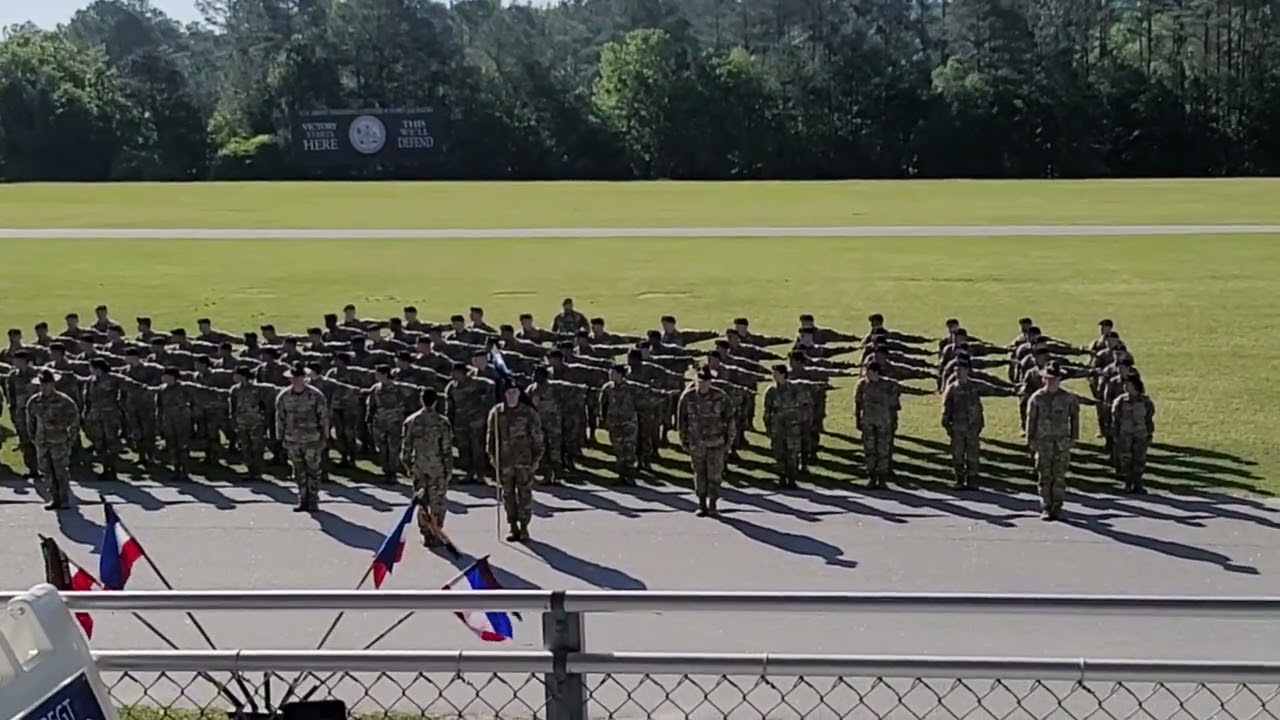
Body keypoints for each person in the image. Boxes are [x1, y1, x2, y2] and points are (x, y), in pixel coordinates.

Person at [487, 385, 543, 541]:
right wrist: (492, 457)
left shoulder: (528, 413)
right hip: (504, 461)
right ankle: (513, 526)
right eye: (508, 392)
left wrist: (536, 459)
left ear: (519, 394)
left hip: (524, 461)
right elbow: (491, 436)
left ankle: (524, 527)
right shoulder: (497, 412)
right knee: (508, 495)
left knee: (524, 494)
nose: (511, 395)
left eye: (514, 392)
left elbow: (537, 438)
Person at [677, 367, 735, 517]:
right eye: (700, 381)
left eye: (706, 382)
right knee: (700, 474)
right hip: (697, 444)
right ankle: (702, 504)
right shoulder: (688, 397)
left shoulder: (720, 397)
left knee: (715, 475)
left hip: (716, 444)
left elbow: (730, 420)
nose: (702, 384)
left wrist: (728, 442)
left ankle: (713, 504)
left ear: (710, 382)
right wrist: (684, 441)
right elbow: (681, 421)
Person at [1025, 363, 1080, 520]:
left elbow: (1075, 418)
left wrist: (1073, 438)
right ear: (1043, 379)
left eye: (1054, 379)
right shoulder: (1036, 398)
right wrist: (1031, 441)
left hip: (1061, 443)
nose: (1051, 382)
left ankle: (1057, 505)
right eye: (1048, 379)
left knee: (1059, 476)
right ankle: (1046, 506)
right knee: (1044, 476)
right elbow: (1031, 420)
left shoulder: (1068, 398)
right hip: (1043, 444)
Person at [402, 388, 454, 546]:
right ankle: (436, 531)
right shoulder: (442, 422)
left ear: (421, 400)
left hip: (419, 467)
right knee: (437, 502)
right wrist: (449, 469)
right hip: (437, 468)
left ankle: (426, 534)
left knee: (422, 502)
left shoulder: (411, 421)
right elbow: (447, 449)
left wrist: (408, 466)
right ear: (436, 401)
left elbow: (406, 448)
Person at [276, 363, 330, 512]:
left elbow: (323, 417)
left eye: (299, 377)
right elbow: (280, 417)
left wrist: (324, 436)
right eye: (294, 378)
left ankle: (313, 499)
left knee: (312, 470)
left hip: (312, 439)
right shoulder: (284, 396)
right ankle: (302, 498)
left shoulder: (316, 395)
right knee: (298, 470)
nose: (296, 380)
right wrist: (279, 436)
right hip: (293, 439)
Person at [25, 369, 80, 510]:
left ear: (53, 384)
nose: (44, 387)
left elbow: (74, 422)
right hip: (41, 442)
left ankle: (64, 499)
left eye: (47, 384)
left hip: (59, 442)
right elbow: (30, 422)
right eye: (42, 385)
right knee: (46, 471)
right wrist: (34, 438)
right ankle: (54, 498)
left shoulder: (64, 401)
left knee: (60, 471)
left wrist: (70, 441)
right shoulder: (34, 401)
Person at [854, 361, 901, 489]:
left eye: (869, 372)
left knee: (883, 451)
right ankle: (871, 477)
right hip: (868, 422)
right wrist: (857, 419)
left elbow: (894, 406)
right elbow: (858, 403)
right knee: (869, 451)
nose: (866, 374)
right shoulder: (862, 385)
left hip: (884, 422)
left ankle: (882, 478)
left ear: (876, 372)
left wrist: (894, 421)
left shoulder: (889, 385)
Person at [761, 364, 809, 488]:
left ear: (783, 374)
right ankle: (782, 477)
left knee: (792, 453)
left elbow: (805, 405)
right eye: (773, 374)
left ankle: (792, 479)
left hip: (792, 426)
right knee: (779, 452)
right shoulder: (771, 391)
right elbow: (767, 410)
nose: (774, 376)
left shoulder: (794, 389)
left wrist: (802, 421)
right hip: (777, 426)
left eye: (776, 373)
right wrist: (768, 426)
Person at [1111, 375, 1155, 494]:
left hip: (1140, 434)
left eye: (1128, 384)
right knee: (1126, 459)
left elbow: (1149, 418)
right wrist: (1115, 433)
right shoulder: (1120, 401)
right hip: (1125, 434)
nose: (1125, 387)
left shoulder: (1145, 401)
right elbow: (1115, 419)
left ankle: (1138, 483)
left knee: (1139, 459)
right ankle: (1128, 483)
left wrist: (1150, 433)